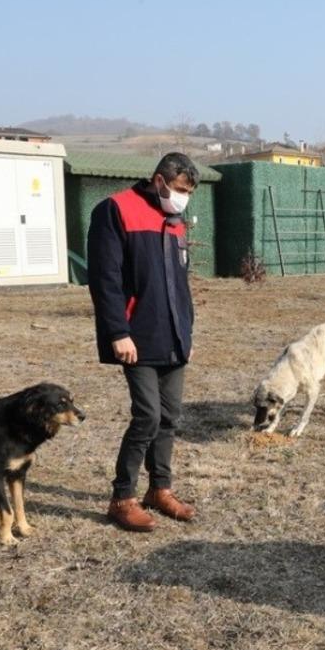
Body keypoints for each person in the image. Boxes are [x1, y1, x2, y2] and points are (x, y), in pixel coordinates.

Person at [87, 152, 200, 532]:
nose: (183, 198)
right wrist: (118, 331)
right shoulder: (115, 210)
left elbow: (180, 284)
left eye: (188, 193)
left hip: (174, 336)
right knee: (147, 416)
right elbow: (105, 280)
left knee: (169, 417)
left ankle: (160, 489)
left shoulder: (175, 220)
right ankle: (122, 497)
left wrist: (187, 332)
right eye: (180, 190)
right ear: (159, 180)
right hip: (137, 336)